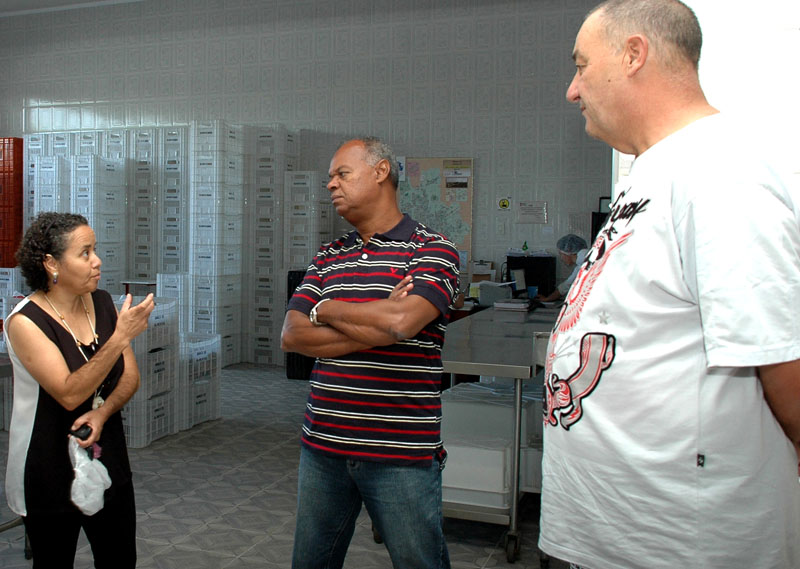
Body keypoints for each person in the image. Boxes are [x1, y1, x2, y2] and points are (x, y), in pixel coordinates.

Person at [539, 1, 800, 568]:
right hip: (621, 534)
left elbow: (785, 369)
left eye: (582, 65)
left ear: (635, 54)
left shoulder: (720, 172)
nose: (572, 89)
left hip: (686, 543)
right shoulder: (655, 169)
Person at [281, 137, 460, 569]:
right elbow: (293, 335)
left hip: (400, 454)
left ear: (381, 172)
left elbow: (402, 323)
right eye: (329, 178)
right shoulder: (329, 255)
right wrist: (378, 322)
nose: (331, 185)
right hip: (323, 446)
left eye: (342, 174)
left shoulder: (433, 250)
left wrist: (327, 308)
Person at [4, 212, 155, 568]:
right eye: (84, 253)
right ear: (51, 264)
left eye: (95, 250)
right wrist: (120, 337)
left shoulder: (101, 302)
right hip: (46, 463)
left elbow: (129, 378)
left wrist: (102, 414)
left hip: (106, 453)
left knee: (119, 558)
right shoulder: (25, 322)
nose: (97, 261)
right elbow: (69, 393)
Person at [537, 234, 588, 302]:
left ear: (567, 253)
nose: (561, 258)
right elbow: (566, 285)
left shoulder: (584, 262)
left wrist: (547, 299)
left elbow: (566, 286)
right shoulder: (583, 261)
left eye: (560, 254)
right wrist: (548, 298)